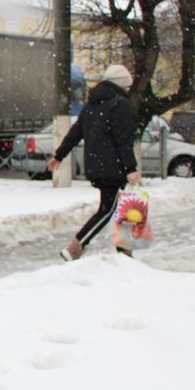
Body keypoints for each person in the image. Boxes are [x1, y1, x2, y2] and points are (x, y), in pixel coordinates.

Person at [47, 63, 141, 260]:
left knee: (120, 205)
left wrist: (59, 156)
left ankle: (125, 252)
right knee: (109, 210)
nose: (127, 90)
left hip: (95, 164)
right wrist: (131, 168)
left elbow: (75, 132)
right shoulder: (119, 104)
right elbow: (123, 139)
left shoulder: (92, 104)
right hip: (113, 166)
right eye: (126, 86)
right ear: (120, 85)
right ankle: (75, 247)